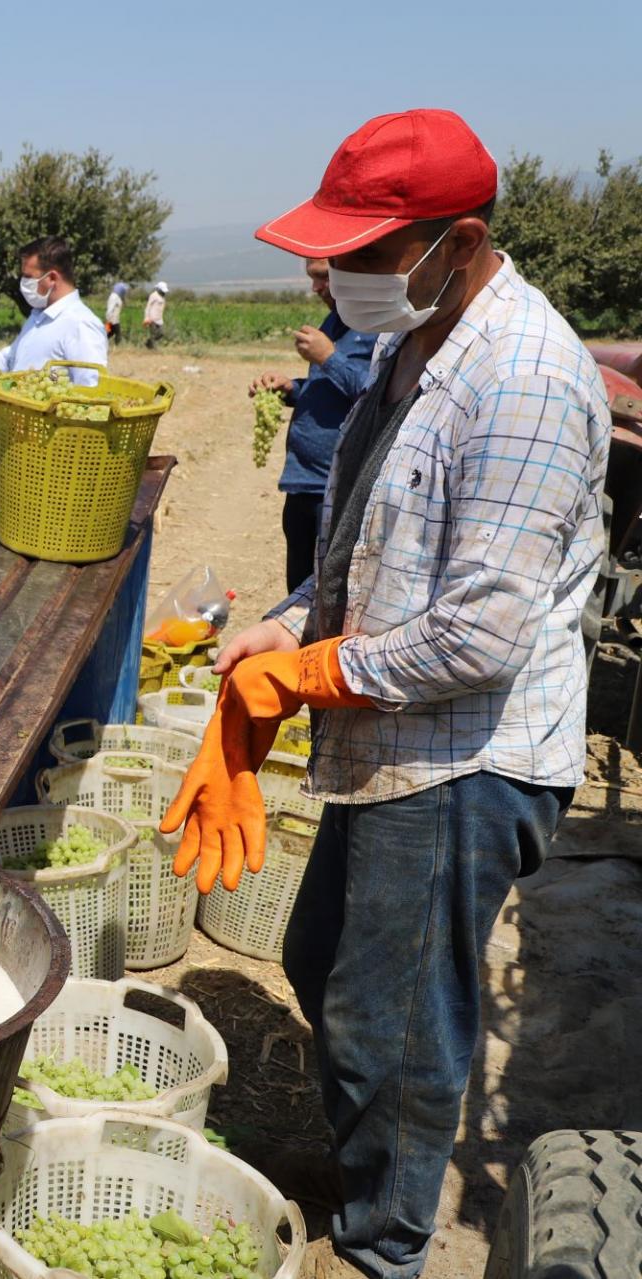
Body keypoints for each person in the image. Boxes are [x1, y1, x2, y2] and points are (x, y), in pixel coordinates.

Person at [162, 109, 610, 1279]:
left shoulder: (521, 382)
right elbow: (374, 535)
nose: (347, 277)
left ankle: (384, 1244)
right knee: (324, 962)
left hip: (468, 755)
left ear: (457, 242)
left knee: (397, 1026)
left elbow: (477, 635)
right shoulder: (418, 346)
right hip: (395, 732)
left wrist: (306, 676)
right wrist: (288, 620)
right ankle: (370, 1164)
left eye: (370, 254)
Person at [248, 259, 377, 592]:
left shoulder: (382, 327)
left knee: (327, 595)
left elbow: (378, 396)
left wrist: (328, 357)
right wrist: (291, 388)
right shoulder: (336, 320)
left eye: (323, 278)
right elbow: (329, 390)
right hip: (302, 484)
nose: (315, 288)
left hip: (335, 490)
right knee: (297, 593)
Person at [0, 236, 108, 386]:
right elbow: (8, 363)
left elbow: (91, 391)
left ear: (52, 277)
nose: (23, 283)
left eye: (29, 277)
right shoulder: (38, 317)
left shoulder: (80, 324)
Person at [143, 281, 168, 347]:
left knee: (161, 333)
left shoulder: (163, 297)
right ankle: (152, 349)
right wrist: (146, 317)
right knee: (153, 334)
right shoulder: (153, 295)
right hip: (152, 318)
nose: (164, 292)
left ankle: (148, 343)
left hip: (159, 319)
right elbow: (148, 307)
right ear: (159, 289)